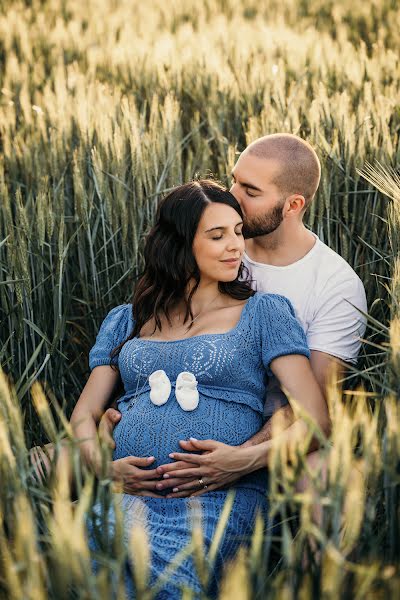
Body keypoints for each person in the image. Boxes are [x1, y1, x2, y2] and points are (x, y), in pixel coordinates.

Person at [73, 180, 329, 598]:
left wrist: (242, 461)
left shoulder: (263, 312)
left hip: (218, 499)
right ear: (177, 244)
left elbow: (317, 419)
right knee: (86, 575)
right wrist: (102, 467)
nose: (235, 246)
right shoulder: (127, 319)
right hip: (126, 493)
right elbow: (84, 416)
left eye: (238, 232)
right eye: (217, 235)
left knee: (169, 584)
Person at [97, 134, 367, 504]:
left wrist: (239, 457)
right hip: (164, 447)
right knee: (41, 462)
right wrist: (107, 425)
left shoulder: (334, 285)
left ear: (293, 204)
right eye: (234, 180)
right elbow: (152, 339)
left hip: (274, 446)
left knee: (326, 478)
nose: (232, 196)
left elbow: (318, 408)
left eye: (250, 191)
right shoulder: (208, 251)